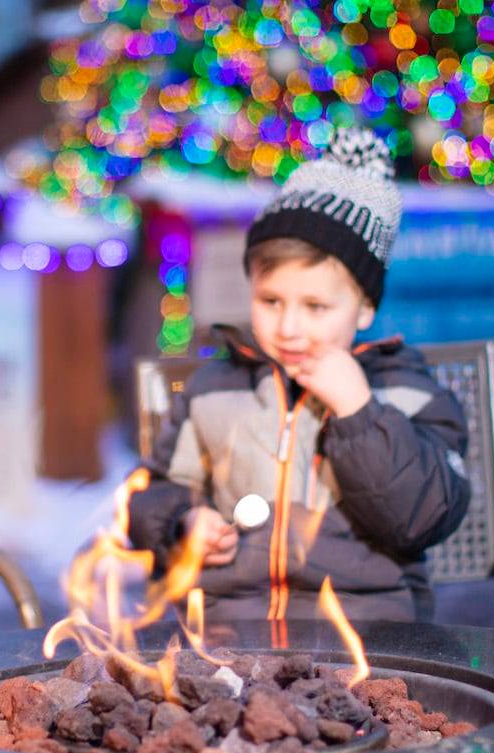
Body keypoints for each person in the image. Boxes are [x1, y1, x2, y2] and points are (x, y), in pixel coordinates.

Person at [126, 128, 471, 623]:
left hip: (369, 631)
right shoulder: (214, 388)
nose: (288, 327)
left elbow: (421, 518)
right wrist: (184, 523)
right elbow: (154, 490)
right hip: (231, 625)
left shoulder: (408, 392)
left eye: (315, 306)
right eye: (271, 301)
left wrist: (358, 412)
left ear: (365, 306)